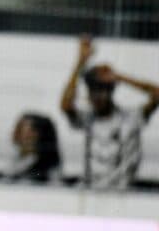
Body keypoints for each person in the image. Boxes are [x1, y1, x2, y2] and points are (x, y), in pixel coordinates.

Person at [60, 35, 159, 189]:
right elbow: (66, 105)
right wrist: (80, 63)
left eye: (102, 91)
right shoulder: (87, 119)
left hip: (123, 192)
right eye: (93, 91)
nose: (97, 97)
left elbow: (156, 94)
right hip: (91, 189)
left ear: (111, 92)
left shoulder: (131, 117)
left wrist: (119, 77)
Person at [2, 113, 61, 183]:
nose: (14, 132)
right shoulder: (18, 159)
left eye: (20, 128)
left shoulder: (42, 170)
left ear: (36, 134)